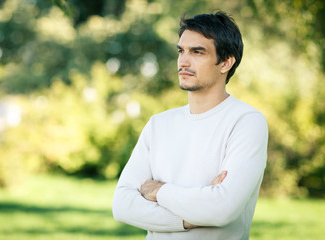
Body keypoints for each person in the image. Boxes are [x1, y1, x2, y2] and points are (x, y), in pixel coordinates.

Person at [112, 11, 268, 240]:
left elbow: (221, 209)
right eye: (181, 51)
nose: (183, 61)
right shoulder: (159, 124)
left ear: (226, 62)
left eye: (197, 52)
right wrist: (189, 218)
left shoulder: (246, 122)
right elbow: (122, 205)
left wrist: (157, 191)